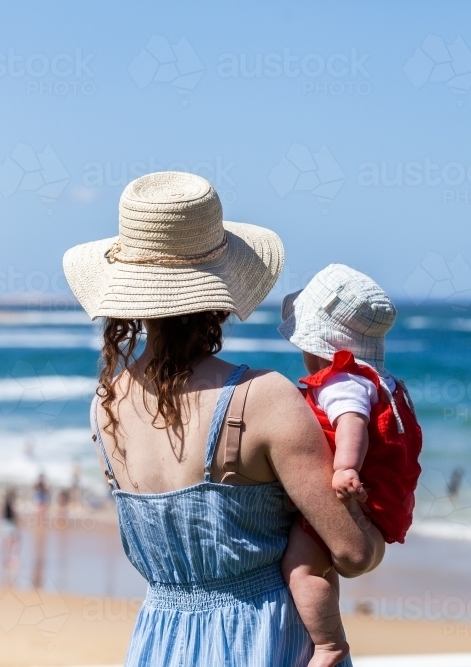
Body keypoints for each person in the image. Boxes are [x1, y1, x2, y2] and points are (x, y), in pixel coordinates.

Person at [65, 172, 383, 666]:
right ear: (221, 286)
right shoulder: (263, 397)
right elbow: (353, 553)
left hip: (159, 642)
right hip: (259, 639)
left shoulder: (105, 403)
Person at [276, 265, 423, 667]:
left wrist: (344, 468)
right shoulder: (378, 380)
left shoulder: (341, 381)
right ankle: (327, 630)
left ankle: (329, 644)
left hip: (355, 493)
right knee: (321, 565)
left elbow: (351, 422)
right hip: (383, 498)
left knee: (300, 568)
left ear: (317, 345)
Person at [0, 487, 20, 586]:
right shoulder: (10, 503)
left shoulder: (5, 503)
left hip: (4, 523)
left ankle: (8, 558)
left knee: (8, 542)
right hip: (9, 524)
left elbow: (3, 514)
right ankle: (11, 559)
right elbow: (13, 515)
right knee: (14, 541)